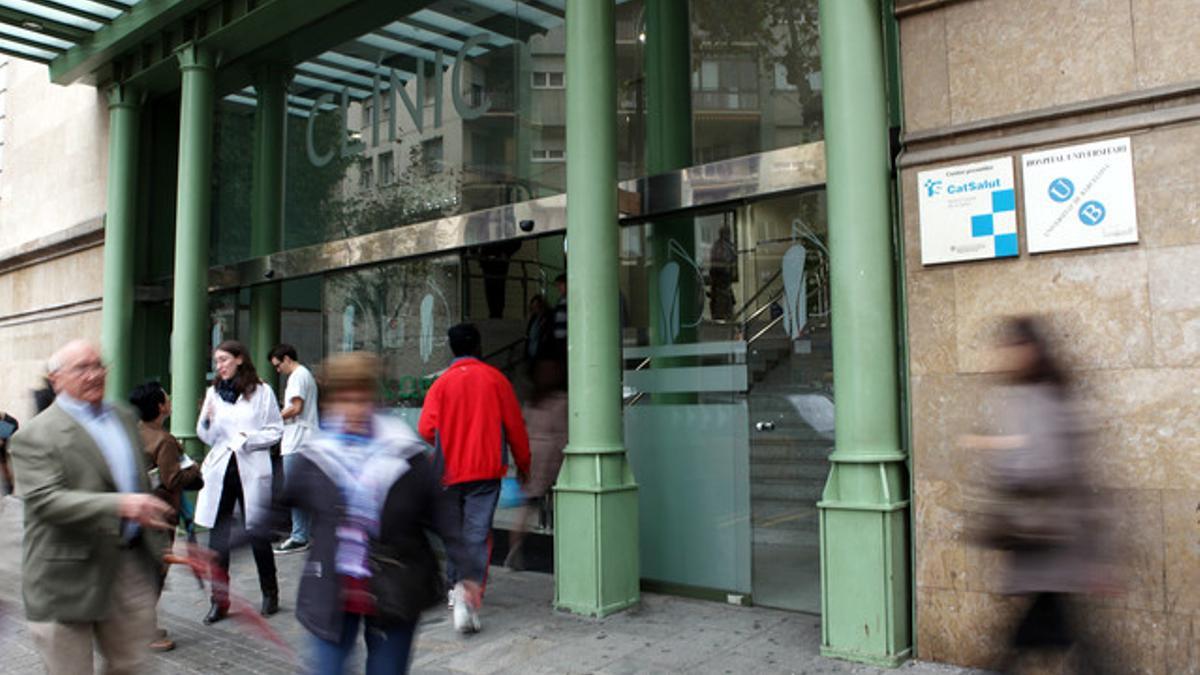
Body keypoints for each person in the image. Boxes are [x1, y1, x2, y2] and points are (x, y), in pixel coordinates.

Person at [243, 351, 476, 674]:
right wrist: (225, 543)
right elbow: (274, 507)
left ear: (373, 398)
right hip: (330, 592)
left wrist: (466, 568)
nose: (353, 408)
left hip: (395, 592)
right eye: (344, 398)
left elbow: (442, 513)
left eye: (360, 397)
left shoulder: (405, 451)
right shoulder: (316, 456)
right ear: (330, 402)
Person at [8, 340, 173, 674]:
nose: (95, 374)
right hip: (65, 576)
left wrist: (163, 547)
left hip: (126, 567)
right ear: (56, 380)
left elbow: (139, 485)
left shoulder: (124, 417)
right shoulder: (35, 435)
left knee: (132, 664)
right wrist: (122, 505)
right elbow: (46, 500)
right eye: (82, 368)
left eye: (99, 365)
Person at [965, 317, 1113, 674]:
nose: (1003, 356)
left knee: (1031, 638)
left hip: (1049, 541)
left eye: (1010, 348)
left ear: (1029, 350)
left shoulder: (1040, 397)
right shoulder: (1046, 393)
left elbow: (1041, 465)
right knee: (1051, 634)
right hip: (1051, 542)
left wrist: (994, 446)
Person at [418, 323, 531, 633]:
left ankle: (456, 590)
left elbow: (426, 429)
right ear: (479, 346)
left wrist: (448, 442)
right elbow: (516, 428)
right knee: (477, 534)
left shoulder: (441, 384)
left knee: (455, 533)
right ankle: (468, 595)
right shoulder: (496, 379)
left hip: (449, 472)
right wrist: (524, 464)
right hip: (486, 469)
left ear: (452, 349)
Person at [195, 340, 283, 624]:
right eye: (216, 361)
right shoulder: (213, 394)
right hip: (222, 470)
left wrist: (248, 440)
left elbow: (276, 430)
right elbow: (205, 435)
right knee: (218, 539)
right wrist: (207, 422)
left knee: (257, 532)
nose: (219, 366)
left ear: (240, 359)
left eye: (223, 360)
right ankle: (218, 601)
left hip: (251, 467)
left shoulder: (261, 391)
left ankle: (270, 592)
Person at [129, 380, 203, 652]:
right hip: (161, 513)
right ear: (160, 406)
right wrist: (194, 468)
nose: (169, 399)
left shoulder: (135, 432)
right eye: (166, 397)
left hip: (138, 509)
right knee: (155, 573)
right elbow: (172, 479)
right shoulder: (164, 440)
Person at [505, 358, 567, 571]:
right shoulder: (561, 400)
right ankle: (565, 551)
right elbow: (562, 435)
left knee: (527, 506)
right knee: (557, 504)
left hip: (530, 456)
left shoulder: (532, 400)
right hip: (549, 458)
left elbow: (522, 427)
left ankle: (515, 548)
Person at [269, 343, 320, 554]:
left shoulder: (298, 376)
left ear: (287, 359)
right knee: (304, 490)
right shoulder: (304, 375)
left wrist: (272, 418)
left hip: (298, 441)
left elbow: (296, 408)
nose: (278, 370)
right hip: (303, 440)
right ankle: (303, 533)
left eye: (278, 365)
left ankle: (300, 535)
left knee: (295, 490)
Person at [708, 224, 737, 320]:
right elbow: (719, 265)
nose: (729, 235)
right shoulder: (720, 247)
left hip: (723, 283)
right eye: (727, 233)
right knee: (722, 311)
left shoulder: (726, 246)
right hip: (720, 283)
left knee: (727, 308)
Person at [525, 294, 552, 363]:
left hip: (541, 354)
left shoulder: (547, 317)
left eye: (536, 307)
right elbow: (529, 334)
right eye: (533, 307)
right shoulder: (534, 318)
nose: (535, 309)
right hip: (532, 352)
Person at [0, 411, 16, 495]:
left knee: (4, 461)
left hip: (7, 423)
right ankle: (9, 487)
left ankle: (9, 487)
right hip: (7, 423)